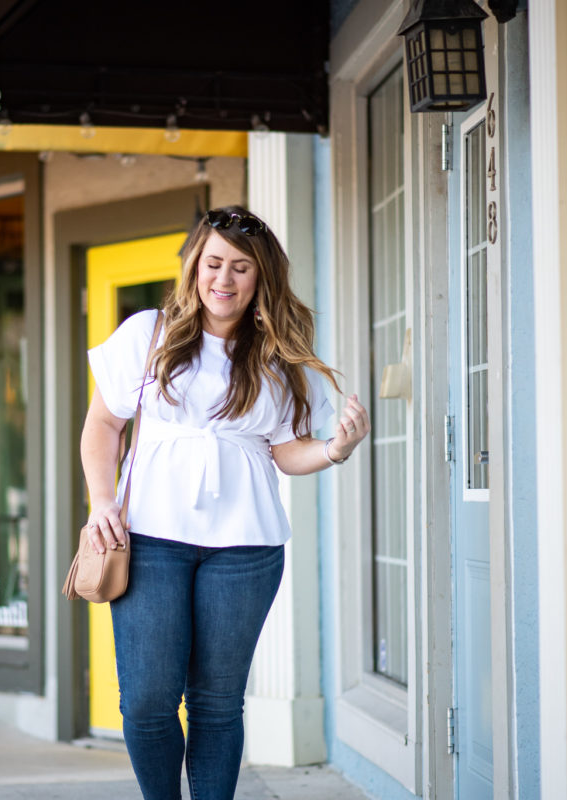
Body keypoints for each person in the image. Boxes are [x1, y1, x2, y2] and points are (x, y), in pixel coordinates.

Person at [80, 206, 370, 800]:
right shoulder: (148, 335)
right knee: (147, 701)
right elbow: (103, 425)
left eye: (241, 267)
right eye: (214, 263)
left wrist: (335, 449)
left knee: (216, 703)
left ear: (261, 277)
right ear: (194, 267)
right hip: (150, 540)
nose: (224, 278)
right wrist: (101, 502)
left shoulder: (279, 355)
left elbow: (287, 452)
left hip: (245, 548)